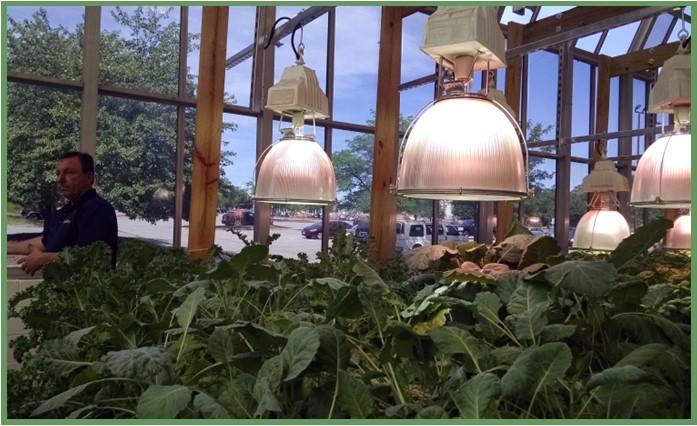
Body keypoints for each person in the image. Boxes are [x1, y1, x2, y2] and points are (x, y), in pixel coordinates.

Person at [8, 152, 118, 275]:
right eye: (58, 174)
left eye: (69, 173)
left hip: (86, 293)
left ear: (89, 177)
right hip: (62, 293)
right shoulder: (64, 212)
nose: (60, 179)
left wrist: (44, 259)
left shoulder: (97, 209)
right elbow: (45, 242)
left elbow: (92, 258)